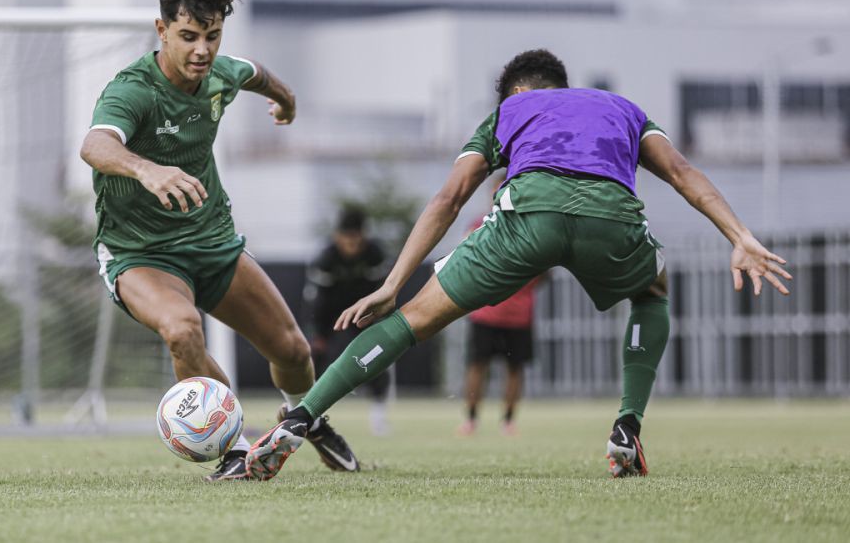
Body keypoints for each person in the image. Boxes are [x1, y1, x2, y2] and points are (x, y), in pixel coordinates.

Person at [245, 48, 792, 481]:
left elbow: (450, 198)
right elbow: (680, 170)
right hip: (611, 217)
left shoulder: (510, 109)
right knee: (653, 294)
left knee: (410, 319)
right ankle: (627, 425)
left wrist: (392, 283)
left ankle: (300, 417)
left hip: (527, 215)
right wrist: (739, 235)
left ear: (519, 92)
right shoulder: (621, 107)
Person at [79, 0, 359, 481]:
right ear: (162, 31)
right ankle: (234, 450)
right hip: (140, 254)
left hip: (211, 241)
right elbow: (94, 145)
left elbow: (253, 72)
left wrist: (286, 100)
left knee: (293, 351)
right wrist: (147, 169)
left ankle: (304, 418)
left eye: (211, 36)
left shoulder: (218, 72)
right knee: (182, 330)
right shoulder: (132, 91)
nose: (201, 50)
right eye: (187, 36)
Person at [304, 207, 391, 435]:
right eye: (346, 238)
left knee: (379, 356)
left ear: (363, 235)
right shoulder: (326, 258)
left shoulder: (374, 254)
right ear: (337, 236)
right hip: (332, 314)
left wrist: (379, 323)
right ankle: (303, 411)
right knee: (315, 359)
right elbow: (317, 301)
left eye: (356, 238)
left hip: (364, 313)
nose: (351, 245)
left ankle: (378, 416)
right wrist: (318, 334)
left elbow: (382, 292)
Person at [458, 272, 539, 438]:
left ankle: (508, 420)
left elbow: (544, 272)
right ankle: (471, 419)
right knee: (477, 366)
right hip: (485, 313)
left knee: (514, 368)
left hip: (519, 315)